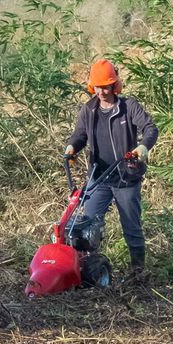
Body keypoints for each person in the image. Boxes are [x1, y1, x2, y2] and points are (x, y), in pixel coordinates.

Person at [65, 59, 159, 274]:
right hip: (99, 178)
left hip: (126, 176)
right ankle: (88, 268)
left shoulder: (128, 107)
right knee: (86, 224)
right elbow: (80, 135)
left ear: (115, 85)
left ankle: (138, 270)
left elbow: (150, 128)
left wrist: (143, 147)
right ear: (92, 87)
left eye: (106, 86)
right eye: (98, 87)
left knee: (131, 227)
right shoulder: (88, 110)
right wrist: (71, 147)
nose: (102, 91)